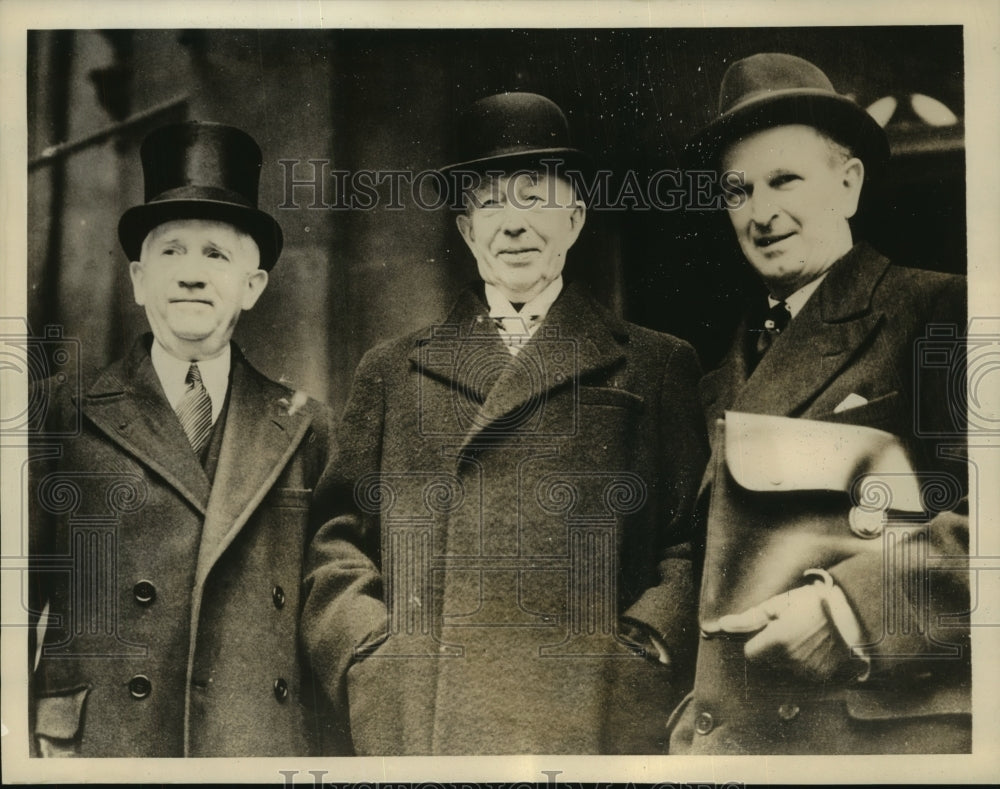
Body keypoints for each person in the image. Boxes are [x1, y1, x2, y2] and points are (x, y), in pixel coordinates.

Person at [302, 92, 708, 754]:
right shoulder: (391, 368)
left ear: (575, 219)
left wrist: (642, 656)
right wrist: (372, 659)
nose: (514, 225)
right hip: (429, 718)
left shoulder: (658, 363)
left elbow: (688, 542)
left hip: (591, 723)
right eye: (492, 203)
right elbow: (335, 542)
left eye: (535, 199)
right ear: (466, 230)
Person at [668, 53, 970, 754]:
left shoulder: (941, 311)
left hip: (877, 744)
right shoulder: (713, 380)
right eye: (738, 190)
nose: (762, 212)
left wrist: (852, 609)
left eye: (785, 181)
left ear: (849, 184)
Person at [29, 121, 335, 756]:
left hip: (251, 746)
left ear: (252, 288)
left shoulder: (306, 426)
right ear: (139, 280)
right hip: (108, 749)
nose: (192, 275)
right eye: (171, 251)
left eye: (216, 255)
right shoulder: (64, 412)